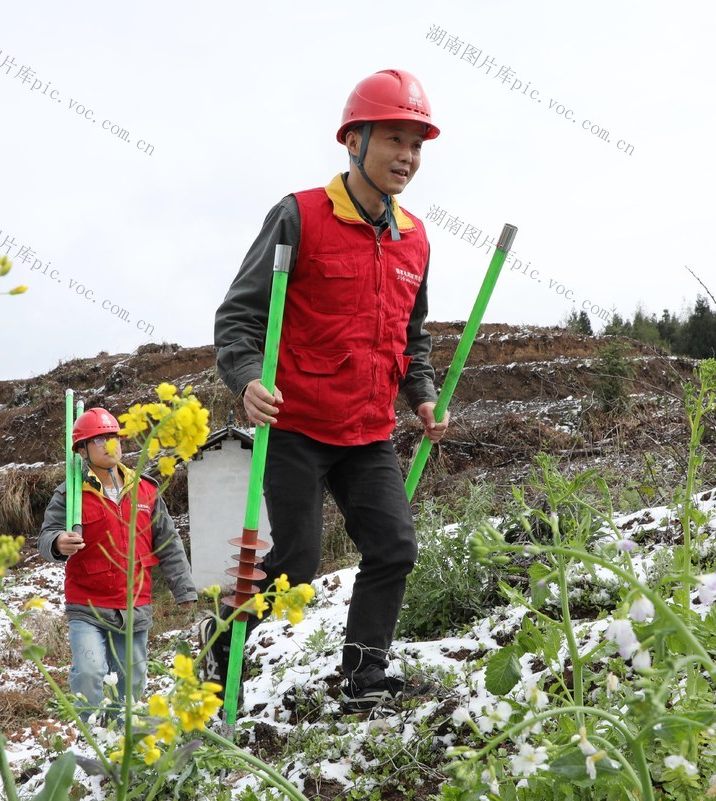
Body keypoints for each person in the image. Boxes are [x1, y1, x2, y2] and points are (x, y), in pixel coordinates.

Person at [208, 69, 449, 714]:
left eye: (417, 144)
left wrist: (420, 392)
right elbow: (238, 316)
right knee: (295, 567)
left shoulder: (415, 238)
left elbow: (411, 332)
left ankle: (365, 676)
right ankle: (219, 652)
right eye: (394, 139)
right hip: (297, 427)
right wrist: (248, 378)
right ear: (355, 140)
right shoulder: (299, 215)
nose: (407, 156)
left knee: (395, 548)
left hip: (368, 431)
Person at [39, 407, 197, 719]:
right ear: (82, 450)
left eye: (114, 438)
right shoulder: (70, 493)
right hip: (87, 604)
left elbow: (168, 542)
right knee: (90, 672)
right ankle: (94, 736)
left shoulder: (146, 489)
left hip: (134, 603)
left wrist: (185, 590)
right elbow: (46, 537)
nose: (110, 445)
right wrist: (58, 543)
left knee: (130, 688)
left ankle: (121, 747)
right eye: (99, 440)